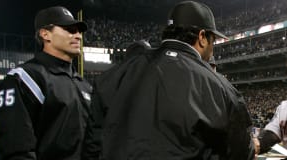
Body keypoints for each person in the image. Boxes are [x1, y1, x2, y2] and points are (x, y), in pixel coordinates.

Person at [91, 1, 254, 159]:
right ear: (202, 37)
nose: (212, 48)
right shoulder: (219, 86)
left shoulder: (113, 75)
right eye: (213, 41)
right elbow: (242, 152)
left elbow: (93, 145)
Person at [0, 6, 96, 159]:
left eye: (79, 31)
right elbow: (15, 148)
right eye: (69, 29)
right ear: (45, 34)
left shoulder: (83, 85)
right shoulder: (24, 79)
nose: (78, 36)